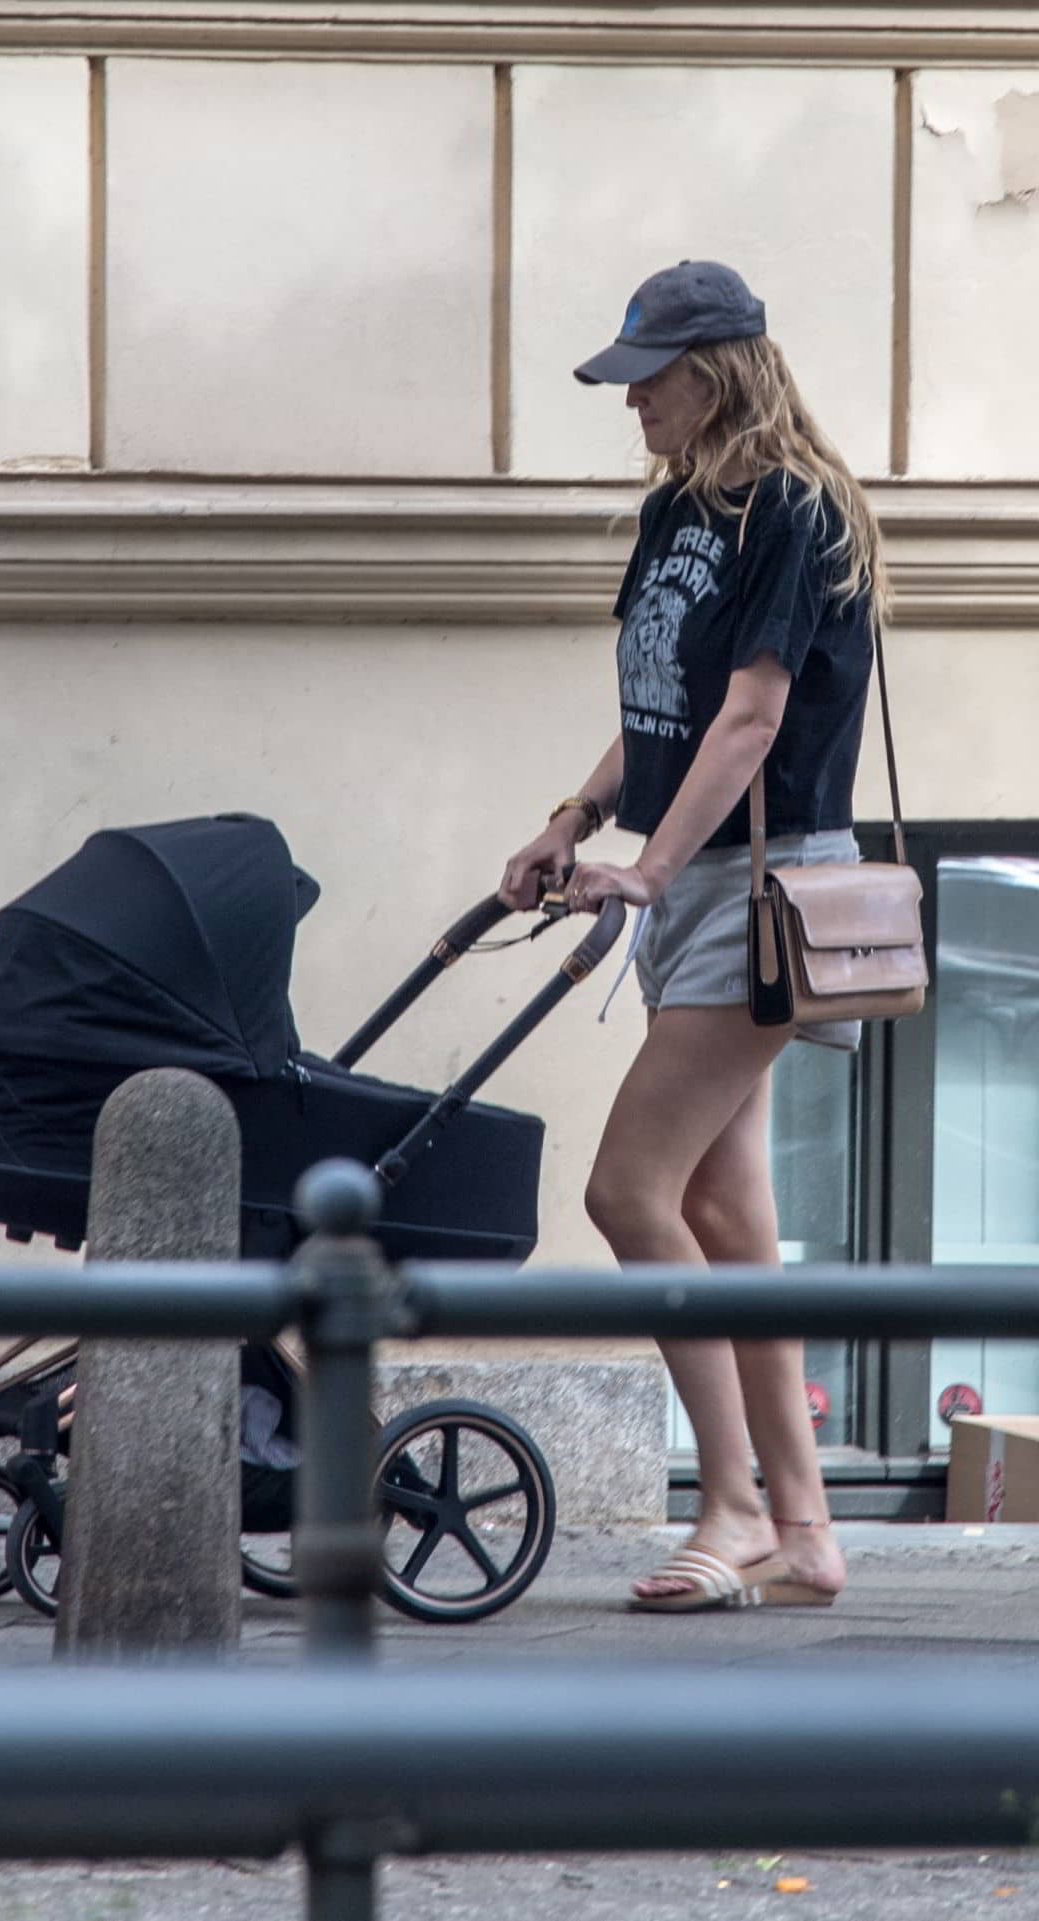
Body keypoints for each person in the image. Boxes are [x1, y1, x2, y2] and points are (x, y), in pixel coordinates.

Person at [500, 260, 886, 1611]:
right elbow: (663, 703)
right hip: (691, 883)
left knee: (627, 1191)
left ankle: (728, 1501)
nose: (633, 407)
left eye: (648, 382)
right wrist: (577, 817)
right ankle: (807, 1525)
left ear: (713, 371)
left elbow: (753, 717)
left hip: (758, 892)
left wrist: (648, 874)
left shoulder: (791, 509)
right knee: (724, 1209)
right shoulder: (677, 511)